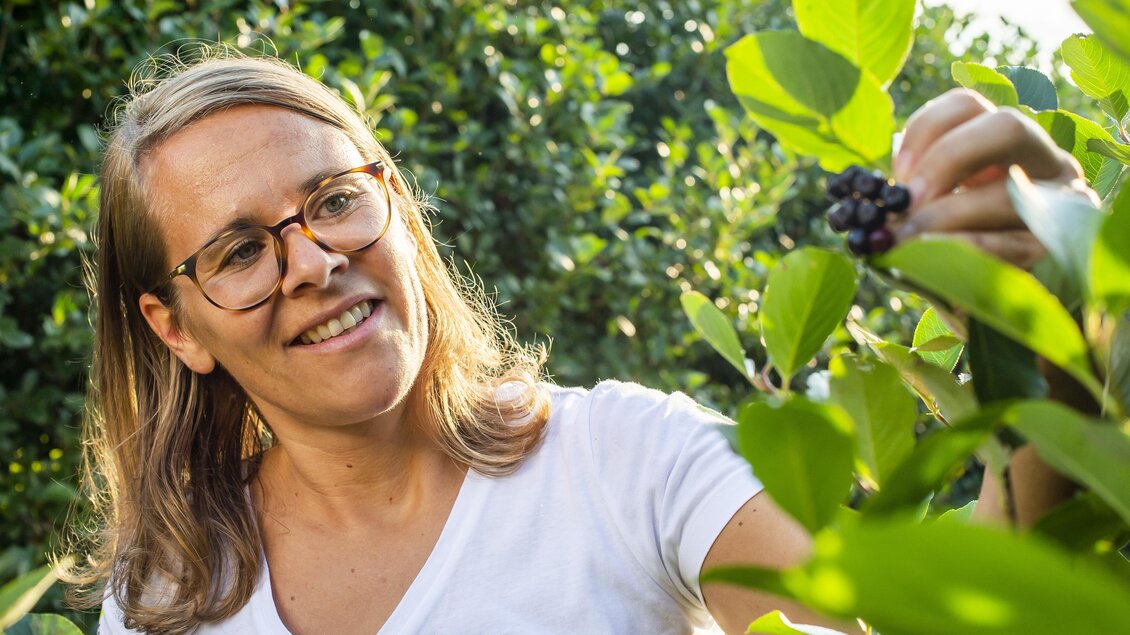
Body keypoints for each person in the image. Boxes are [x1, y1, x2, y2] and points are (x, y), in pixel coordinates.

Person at [70, 46, 1089, 635]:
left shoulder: (624, 460)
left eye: (332, 200)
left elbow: (933, 617)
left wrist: (1051, 344)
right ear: (177, 325)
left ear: (396, 206)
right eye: (240, 250)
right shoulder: (166, 599)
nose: (311, 262)